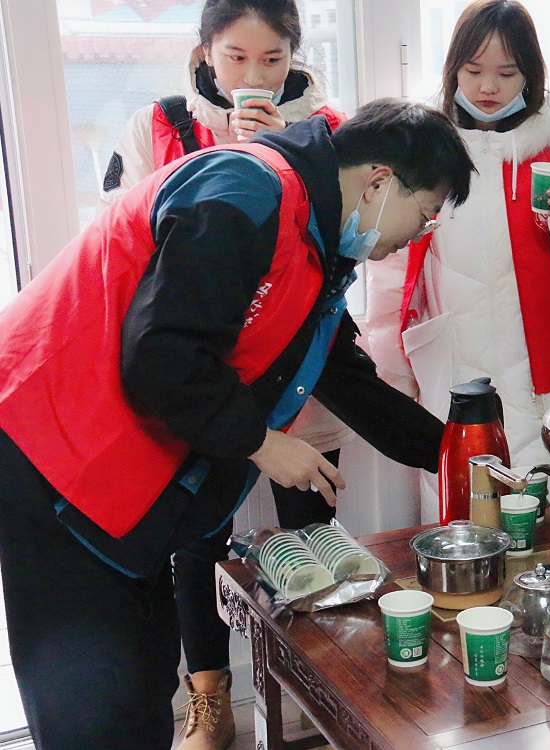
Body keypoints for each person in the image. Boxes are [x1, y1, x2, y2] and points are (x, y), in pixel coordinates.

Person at [0, 98, 474, 750]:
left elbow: (344, 377)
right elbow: (162, 357)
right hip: (52, 454)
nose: (418, 235)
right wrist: (262, 443)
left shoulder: (320, 242)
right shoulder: (243, 192)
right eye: (424, 215)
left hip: (121, 477)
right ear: (379, 182)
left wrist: (456, 454)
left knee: (140, 690)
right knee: (96, 708)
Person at [98, 3, 353, 745]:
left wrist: (286, 157)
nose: (253, 76)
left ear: (295, 54)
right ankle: (209, 698)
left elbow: (349, 250)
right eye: (236, 57)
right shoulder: (158, 126)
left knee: (311, 527)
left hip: (296, 369)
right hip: (194, 376)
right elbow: (126, 244)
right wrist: (232, 168)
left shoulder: (328, 128)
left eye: (272, 59)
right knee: (196, 539)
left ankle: (322, 690)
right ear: (205, 52)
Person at [366, 0, 550, 527]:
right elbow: (391, 270)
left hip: (542, 373)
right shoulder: (424, 149)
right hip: (451, 365)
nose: (489, 86)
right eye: (473, 70)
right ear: (452, 70)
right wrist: (391, 374)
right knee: (461, 519)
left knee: (549, 522)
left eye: (507, 73)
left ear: (530, 75)